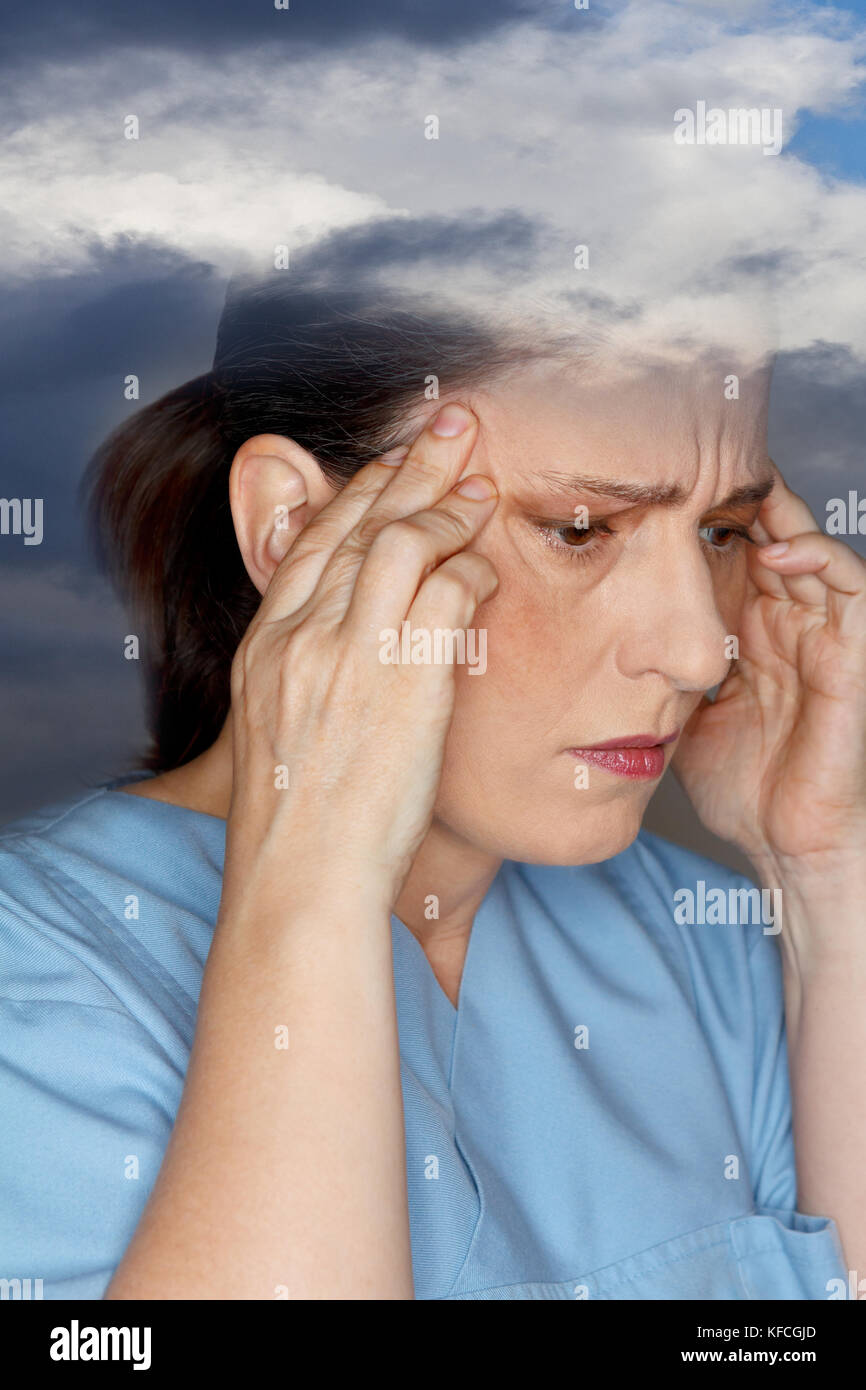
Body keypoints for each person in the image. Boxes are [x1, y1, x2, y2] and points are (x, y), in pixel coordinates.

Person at [1, 277, 864, 1300]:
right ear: (290, 530)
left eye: (718, 532)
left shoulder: (700, 944)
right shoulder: (38, 992)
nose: (695, 649)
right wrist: (316, 882)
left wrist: (826, 866)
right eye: (579, 529)